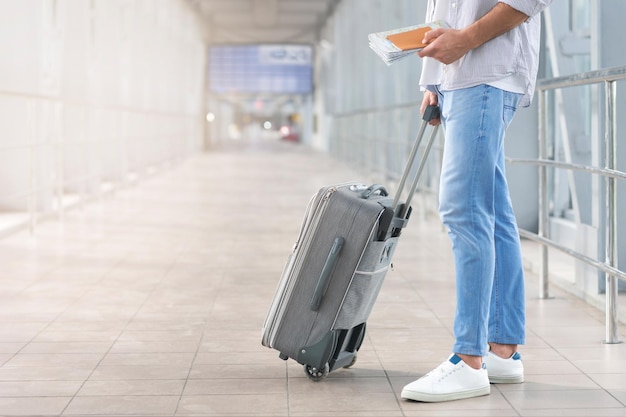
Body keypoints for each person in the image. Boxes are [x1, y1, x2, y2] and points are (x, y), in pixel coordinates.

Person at [401, 0, 552, 403]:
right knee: (492, 210)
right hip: (458, 80)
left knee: (463, 208)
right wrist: (432, 83)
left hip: (486, 75)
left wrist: (465, 42)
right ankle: (502, 350)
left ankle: (469, 360)